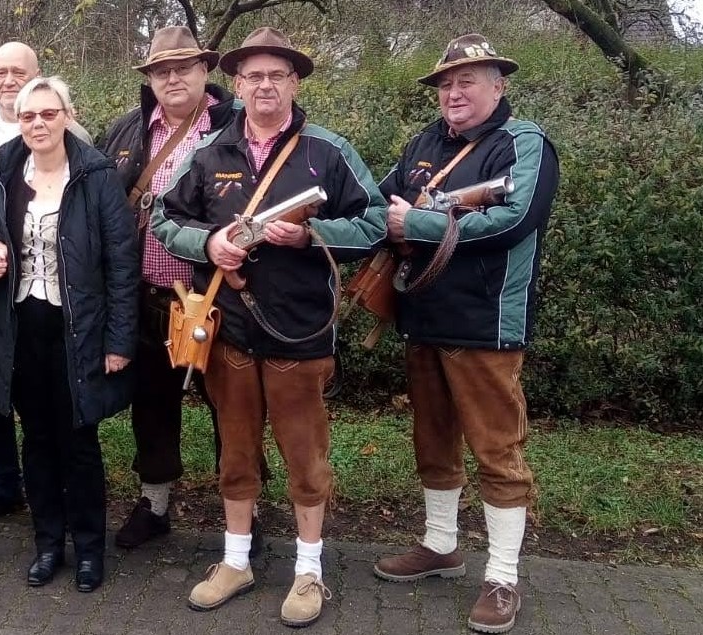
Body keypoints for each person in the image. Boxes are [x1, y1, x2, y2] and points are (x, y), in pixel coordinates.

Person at [152, 27, 388, 627]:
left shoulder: (328, 151)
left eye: (276, 75)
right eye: (253, 75)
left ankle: (308, 570)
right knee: (236, 451)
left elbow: (375, 223)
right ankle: (236, 562)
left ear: (294, 82)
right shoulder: (209, 153)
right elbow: (164, 218)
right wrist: (209, 242)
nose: (264, 85)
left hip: (299, 333)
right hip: (229, 332)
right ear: (236, 84)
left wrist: (311, 235)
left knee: (305, 458)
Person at [371, 34, 559, 635]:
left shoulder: (523, 143)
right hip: (423, 316)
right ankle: (440, 543)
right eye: (446, 83)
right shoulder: (423, 143)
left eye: (467, 81)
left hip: (486, 324)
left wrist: (418, 222)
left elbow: (513, 221)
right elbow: (380, 202)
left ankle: (502, 577)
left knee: (497, 451)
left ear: (498, 86)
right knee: (433, 439)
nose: (454, 92)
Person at [0, 76, 138, 593]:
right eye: (28, 115)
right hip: (19, 328)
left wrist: (119, 341)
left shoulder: (96, 176)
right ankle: (47, 545)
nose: (38, 123)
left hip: (78, 328)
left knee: (78, 440)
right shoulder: (3, 171)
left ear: (67, 115)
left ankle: (88, 549)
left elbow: (122, 263)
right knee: (36, 439)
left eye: (48, 113)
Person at [98, 26, 243, 550]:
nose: (173, 78)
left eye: (183, 68)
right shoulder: (126, 130)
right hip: (148, 297)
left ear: (206, 70)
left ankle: (243, 507)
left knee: (233, 406)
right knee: (152, 405)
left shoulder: (238, 126)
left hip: (219, 298)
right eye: (162, 70)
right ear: (150, 78)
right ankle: (154, 504)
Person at [0, 41, 93, 522]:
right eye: (1, 72)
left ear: (38, 77)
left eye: (19, 72)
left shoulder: (73, 134)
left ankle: (60, 489)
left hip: (49, 293)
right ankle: (1, 484)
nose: (9, 81)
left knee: (52, 397)